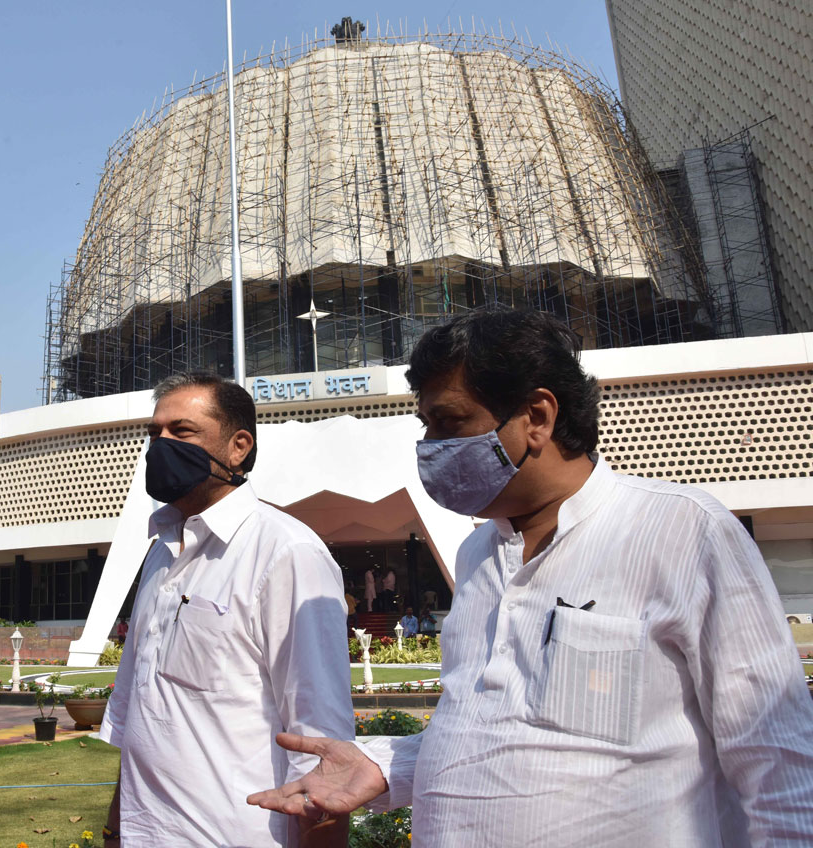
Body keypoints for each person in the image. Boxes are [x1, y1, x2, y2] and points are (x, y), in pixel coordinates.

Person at [248, 308, 813, 845]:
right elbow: (497, 729)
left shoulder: (684, 532)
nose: (431, 448)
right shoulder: (478, 554)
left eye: (450, 422)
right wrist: (386, 766)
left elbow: (778, 762)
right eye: (427, 425)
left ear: (537, 417)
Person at [99, 372, 353, 847]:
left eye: (183, 431)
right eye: (154, 433)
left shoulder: (286, 552)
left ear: (238, 447)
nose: (161, 444)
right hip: (147, 833)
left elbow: (321, 741)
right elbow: (137, 714)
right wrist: (115, 828)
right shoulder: (161, 549)